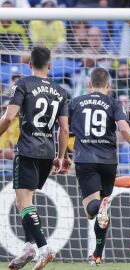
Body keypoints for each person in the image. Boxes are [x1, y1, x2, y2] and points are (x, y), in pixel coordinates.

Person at [0, 47, 70, 270]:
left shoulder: (23, 84)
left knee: (23, 202)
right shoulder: (60, 91)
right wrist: (61, 157)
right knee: (28, 199)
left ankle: (43, 248)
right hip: (48, 153)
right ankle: (29, 246)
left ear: (29, 64)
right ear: (50, 65)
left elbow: (9, 116)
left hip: (28, 149)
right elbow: (65, 129)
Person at [69, 67, 130, 266]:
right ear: (109, 86)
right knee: (103, 206)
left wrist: (60, 155)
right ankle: (97, 254)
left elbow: (63, 129)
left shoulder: (75, 102)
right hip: (109, 161)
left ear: (88, 84)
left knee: (91, 209)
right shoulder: (114, 103)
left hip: (85, 159)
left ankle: (99, 207)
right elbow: (124, 129)